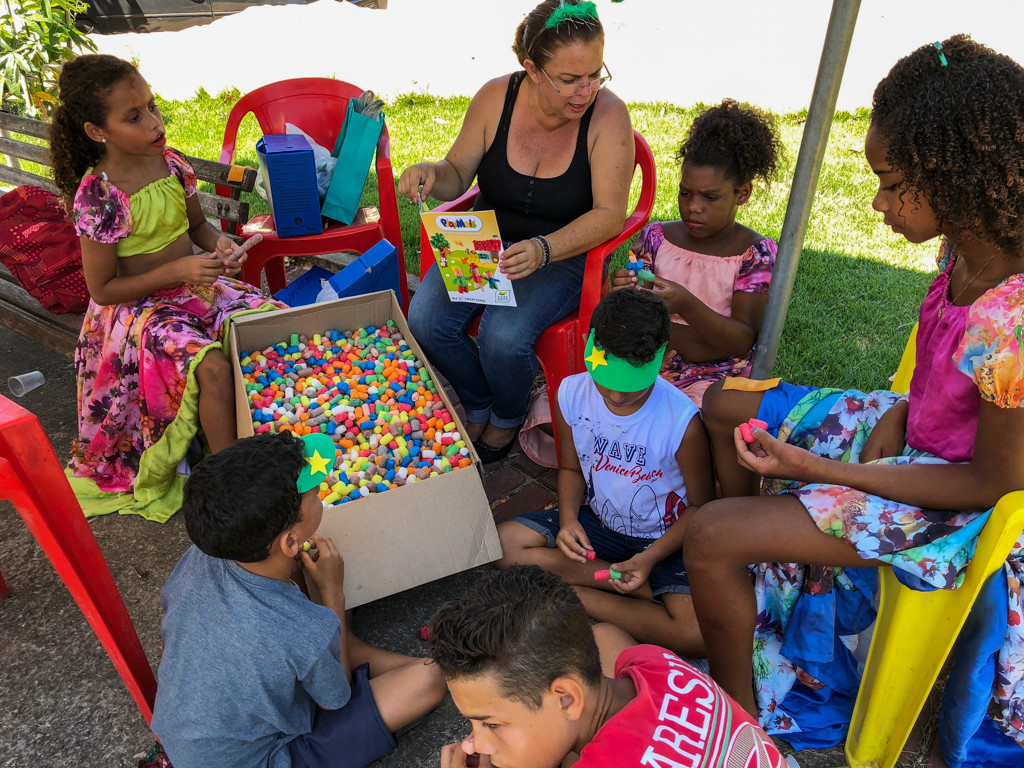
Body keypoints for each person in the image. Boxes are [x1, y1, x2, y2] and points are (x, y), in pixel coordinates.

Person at [688, 36, 1024, 766]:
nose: (875, 204)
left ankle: (743, 722)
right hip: (911, 438)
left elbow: (991, 481)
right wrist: (897, 413)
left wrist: (823, 469)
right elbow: (936, 373)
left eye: (890, 181)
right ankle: (751, 599)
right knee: (723, 407)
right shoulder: (965, 246)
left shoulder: (1013, 324)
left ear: (956, 177)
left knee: (710, 535)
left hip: (951, 505)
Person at [398, 0, 634, 463]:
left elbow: (610, 214)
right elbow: (456, 173)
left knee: (503, 339)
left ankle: (506, 415)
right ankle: (480, 399)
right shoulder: (496, 97)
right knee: (425, 320)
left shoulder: (608, 116)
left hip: (563, 250)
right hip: (486, 241)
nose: (585, 90)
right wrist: (431, 171)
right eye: (569, 79)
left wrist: (545, 249)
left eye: (595, 74)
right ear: (531, 69)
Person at [50, 54, 282, 521]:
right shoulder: (99, 196)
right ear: (98, 132)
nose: (155, 122)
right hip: (134, 313)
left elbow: (198, 227)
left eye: (152, 106)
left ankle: (272, 441)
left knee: (269, 322)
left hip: (191, 285)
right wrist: (180, 272)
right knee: (211, 366)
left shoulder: (171, 164)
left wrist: (221, 245)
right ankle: (229, 484)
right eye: (134, 116)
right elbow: (103, 289)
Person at [151, 432, 446, 768]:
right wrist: (333, 593)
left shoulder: (199, 556)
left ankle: (346, 646)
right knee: (430, 680)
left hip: (186, 736)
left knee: (325, 642)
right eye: (315, 494)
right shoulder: (304, 630)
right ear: (290, 542)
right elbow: (335, 700)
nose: (321, 492)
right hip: (262, 758)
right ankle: (398, 658)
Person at [497, 288, 713, 657]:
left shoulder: (682, 424)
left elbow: (701, 509)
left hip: (662, 540)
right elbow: (570, 467)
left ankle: (577, 594)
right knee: (504, 545)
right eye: (605, 384)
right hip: (600, 526)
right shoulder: (570, 393)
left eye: (630, 390)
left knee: (696, 636)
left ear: (664, 361)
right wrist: (568, 521)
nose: (614, 398)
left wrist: (648, 559)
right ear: (590, 346)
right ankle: (634, 587)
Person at [429, 565, 785, 768]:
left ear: (567, 698)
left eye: (491, 723)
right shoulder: (653, 661)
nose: (476, 744)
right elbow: (605, 636)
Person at [611, 99, 783, 409]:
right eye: (685, 193)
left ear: (742, 193)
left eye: (710, 197)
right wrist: (627, 291)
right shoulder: (658, 237)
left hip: (716, 380)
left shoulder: (753, 254)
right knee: (575, 402)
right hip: (651, 365)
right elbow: (635, 316)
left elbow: (742, 340)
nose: (693, 207)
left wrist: (686, 304)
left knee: (683, 426)